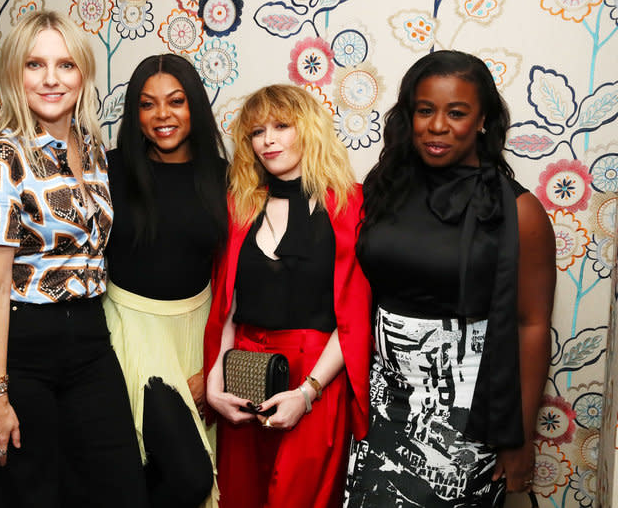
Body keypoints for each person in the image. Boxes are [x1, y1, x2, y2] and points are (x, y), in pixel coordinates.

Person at [0, 10, 147, 508]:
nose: (52, 79)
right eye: (35, 65)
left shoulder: (97, 152)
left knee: (119, 487)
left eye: (65, 65)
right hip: (17, 348)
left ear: (83, 73)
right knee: (27, 494)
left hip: (88, 340)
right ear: (15, 74)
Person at [344, 50, 555, 507]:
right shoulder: (385, 187)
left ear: (482, 121)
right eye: (425, 110)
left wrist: (518, 437)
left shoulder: (518, 213)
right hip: (377, 401)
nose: (437, 126)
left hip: (464, 416)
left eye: (456, 113)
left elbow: (532, 325)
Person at [204, 84, 372, 508]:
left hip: (314, 374)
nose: (268, 140)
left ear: (309, 129)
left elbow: (353, 317)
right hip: (243, 370)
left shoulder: (350, 205)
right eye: (257, 131)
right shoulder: (238, 204)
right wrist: (214, 382)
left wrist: (308, 392)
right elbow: (227, 307)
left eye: (281, 126)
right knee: (241, 497)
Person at [102, 53, 228, 508]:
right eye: (147, 104)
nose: (162, 116)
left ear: (194, 105)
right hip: (133, 330)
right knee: (191, 477)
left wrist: (216, 361)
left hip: (198, 330)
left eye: (175, 101)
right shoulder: (109, 170)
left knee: (169, 471)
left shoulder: (223, 177)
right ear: (134, 113)